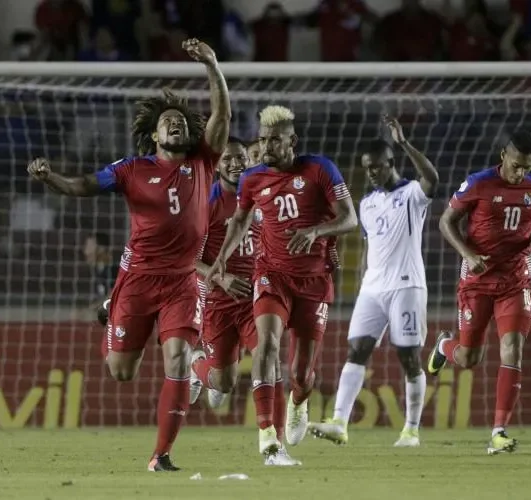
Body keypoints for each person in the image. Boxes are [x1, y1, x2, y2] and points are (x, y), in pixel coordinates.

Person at [27, 38, 230, 472]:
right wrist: (51, 179)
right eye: (167, 123)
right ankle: (111, 307)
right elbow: (84, 186)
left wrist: (212, 65)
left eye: (180, 121)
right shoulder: (132, 169)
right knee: (121, 371)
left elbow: (222, 115)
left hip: (182, 280)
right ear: (154, 134)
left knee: (176, 358)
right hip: (137, 278)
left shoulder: (203, 160)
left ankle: (161, 455)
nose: (175, 125)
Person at [204, 105, 358, 459]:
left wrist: (318, 232)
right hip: (271, 276)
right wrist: (223, 258)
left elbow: (350, 218)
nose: (267, 146)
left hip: (314, 282)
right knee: (267, 347)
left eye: (275, 140)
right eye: (263, 139)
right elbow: (240, 221)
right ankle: (267, 437)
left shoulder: (320, 169)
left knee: (301, 373)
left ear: (293, 141)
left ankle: (298, 401)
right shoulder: (252, 178)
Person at [307, 116, 439, 448]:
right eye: (367, 168)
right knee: (356, 349)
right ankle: (339, 421)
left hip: (407, 286)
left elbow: (432, 178)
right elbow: (368, 246)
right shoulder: (367, 203)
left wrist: (405, 142)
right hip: (373, 289)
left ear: (391, 163)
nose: (372, 173)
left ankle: (411, 429)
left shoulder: (411, 194)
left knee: (408, 356)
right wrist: (364, 280)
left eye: (377, 167)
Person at [426, 130, 531, 455]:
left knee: (512, 348)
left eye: (526, 167)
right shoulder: (479, 184)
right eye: (515, 165)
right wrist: (467, 254)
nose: (520, 173)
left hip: (516, 281)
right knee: (469, 358)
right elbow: (446, 222)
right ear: (503, 157)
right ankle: (444, 345)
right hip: (478, 281)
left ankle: (498, 432)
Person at [189, 137, 300, 466]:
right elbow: (187, 258)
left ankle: (273, 445)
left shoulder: (260, 195)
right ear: (217, 165)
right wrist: (220, 277)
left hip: (257, 295)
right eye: (227, 159)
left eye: (240, 158)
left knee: (271, 358)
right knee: (223, 380)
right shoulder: (205, 204)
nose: (235, 163)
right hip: (219, 303)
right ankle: (197, 367)